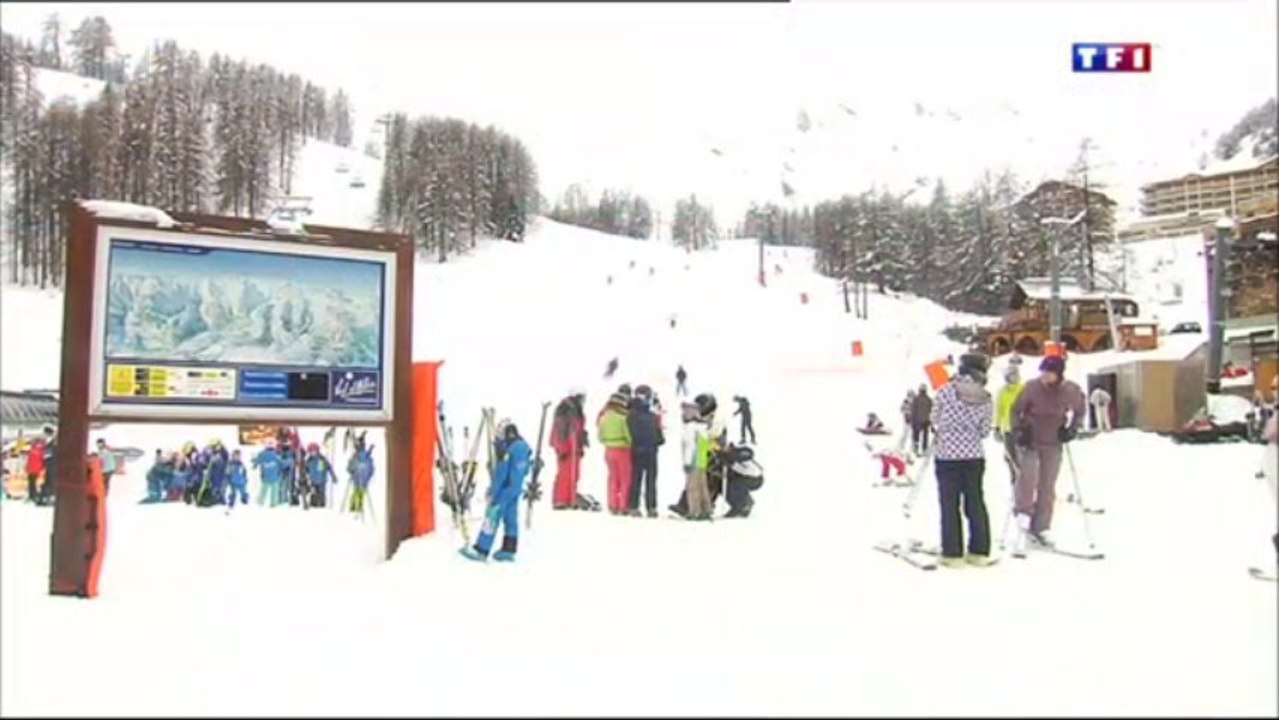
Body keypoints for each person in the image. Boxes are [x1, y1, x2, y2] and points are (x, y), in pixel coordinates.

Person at [1010, 355, 1086, 555]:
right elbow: (1015, 410)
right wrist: (1019, 430)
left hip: (1053, 442)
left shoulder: (1070, 391)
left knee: (1047, 484)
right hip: (1031, 440)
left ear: (1058, 374)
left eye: (1049, 373)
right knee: (1027, 479)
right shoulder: (1032, 388)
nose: (1045, 376)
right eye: (1043, 372)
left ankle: (1041, 526)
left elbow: (1080, 410)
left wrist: (1071, 429)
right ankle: (1023, 515)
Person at [930, 353, 996, 568]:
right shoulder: (985, 397)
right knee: (975, 501)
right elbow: (985, 430)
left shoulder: (945, 392)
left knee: (949, 504)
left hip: (947, 454)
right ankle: (979, 550)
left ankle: (952, 552)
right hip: (974, 455)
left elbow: (935, 420)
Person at [461, 421, 532, 562]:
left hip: (505, 490)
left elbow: (501, 474)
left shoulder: (507, 451)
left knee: (492, 517)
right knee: (511, 519)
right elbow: (526, 469)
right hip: (516, 489)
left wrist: (493, 493)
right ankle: (509, 549)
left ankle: (482, 549)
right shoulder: (524, 448)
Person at [627, 385, 664, 518]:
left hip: (645, 450)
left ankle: (645, 506)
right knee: (642, 479)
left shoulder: (637, 414)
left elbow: (658, 433)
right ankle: (640, 506)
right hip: (644, 450)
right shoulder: (639, 414)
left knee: (644, 479)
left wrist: (658, 439)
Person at [550, 389, 589, 510]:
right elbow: (560, 431)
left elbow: (578, 429)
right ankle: (561, 499)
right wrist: (562, 448)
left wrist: (582, 441)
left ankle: (569, 497)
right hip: (567, 447)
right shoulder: (566, 410)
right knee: (565, 474)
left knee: (574, 474)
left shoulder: (576, 410)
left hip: (574, 447)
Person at [680, 394, 716, 521]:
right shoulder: (702, 425)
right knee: (702, 483)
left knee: (692, 485)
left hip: (693, 457)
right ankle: (706, 508)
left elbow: (690, 445)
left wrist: (687, 462)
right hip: (701, 457)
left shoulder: (690, 427)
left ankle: (694, 510)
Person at [597, 391, 633, 514]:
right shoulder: (622, 418)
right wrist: (629, 443)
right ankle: (622, 505)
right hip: (622, 449)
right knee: (624, 479)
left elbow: (600, 436)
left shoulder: (604, 417)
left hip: (608, 450)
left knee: (612, 478)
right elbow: (627, 435)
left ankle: (612, 504)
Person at [994, 365, 1025, 484]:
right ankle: (1014, 479)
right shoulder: (1002, 392)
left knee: (1021, 457)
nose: (1014, 377)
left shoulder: (1023, 390)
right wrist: (996, 427)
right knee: (1009, 456)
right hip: (1007, 429)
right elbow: (999, 410)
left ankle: (1024, 481)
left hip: (1021, 428)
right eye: (1011, 375)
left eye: (1016, 375)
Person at [347, 434, 376, 515]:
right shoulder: (357, 456)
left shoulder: (364, 456)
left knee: (359, 492)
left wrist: (369, 475)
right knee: (358, 491)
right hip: (359, 478)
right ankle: (355, 506)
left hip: (363, 478)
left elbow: (370, 468)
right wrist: (352, 472)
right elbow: (350, 467)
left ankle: (356, 506)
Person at [303, 443, 337, 509]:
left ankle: (322, 505)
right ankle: (313, 505)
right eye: (311, 452)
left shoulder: (322, 459)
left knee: (321, 494)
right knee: (313, 493)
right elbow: (305, 470)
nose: (312, 453)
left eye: (314, 451)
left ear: (317, 451)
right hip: (313, 481)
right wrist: (305, 476)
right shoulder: (308, 460)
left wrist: (333, 476)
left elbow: (329, 468)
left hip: (322, 480)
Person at [253, 440, 285, 507]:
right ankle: (273, 503)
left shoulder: (262, 454)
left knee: (263, 490)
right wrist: (290, 461)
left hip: (266, 477)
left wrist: (254, 465)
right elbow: (282, 463)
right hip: (274, 477)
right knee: (274, 492)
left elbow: (257, 461)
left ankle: (260, 502)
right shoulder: (276, 455)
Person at [24, 431, 47, 503]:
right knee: (32, 483)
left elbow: (37, 459)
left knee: (32, 483)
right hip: (34, 469)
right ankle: (32, 495)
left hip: (34, 469)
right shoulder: (38, 449)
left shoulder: (38, 449)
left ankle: (33, 495)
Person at [910, 385, 933, 454]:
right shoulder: (929, 399)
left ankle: (915, 448)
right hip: (926, 421)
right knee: (925, 436)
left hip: (917, 421)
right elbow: (931, 411)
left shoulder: (916, 399)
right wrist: (930, 421)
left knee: (916, 436)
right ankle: (924, 449)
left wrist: (912, 420)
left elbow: (913, 410)